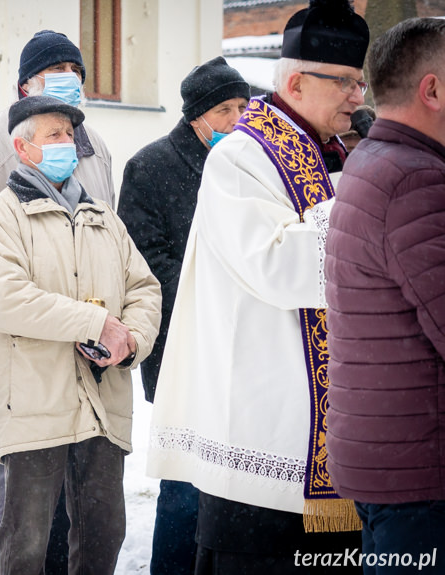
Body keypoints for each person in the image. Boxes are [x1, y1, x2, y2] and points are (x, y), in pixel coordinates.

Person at [146, 0, 370, 572]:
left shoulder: (340, 156)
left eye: (360, 82)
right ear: (295, 80)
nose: (358, 96)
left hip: (337, 436)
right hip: (264, 440)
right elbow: (276, 265)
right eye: (344, 81)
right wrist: (359, 209)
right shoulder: (241, 158)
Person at [0, 29, 114, 574]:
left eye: (77, 72)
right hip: (24, 348)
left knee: (87, 496)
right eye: (56, 71)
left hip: (88, 347)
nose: (70, 81)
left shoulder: (95, 145)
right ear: (22, 86)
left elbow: (109, 233)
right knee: (23, 499)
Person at [0, 95, 162, 575]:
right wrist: (94, 323)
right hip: (34, 408)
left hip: (100, 405)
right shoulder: (0, 219)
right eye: (53, 135)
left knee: (103, 534)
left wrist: (129, 339)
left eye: (70, 135)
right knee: (26, 543)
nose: (66, 144)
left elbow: (145, 288)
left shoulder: (104, 220)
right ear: (22, 147)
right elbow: (6, 299)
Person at [117, 56, 249, 575]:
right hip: (184, 347)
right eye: (225, 109)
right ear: (196, 115)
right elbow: (145, 263)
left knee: (229, 482)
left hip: (238, 346)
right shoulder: (150, 167)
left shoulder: (243, 163)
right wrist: (221, 291)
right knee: (186, 483)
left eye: (243, 106)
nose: (238, 119)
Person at [326, 17, 445, 574]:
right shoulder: (417, 179)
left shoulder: (373, 160)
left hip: (388, 454)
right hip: (420, 469)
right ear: (433, 89)